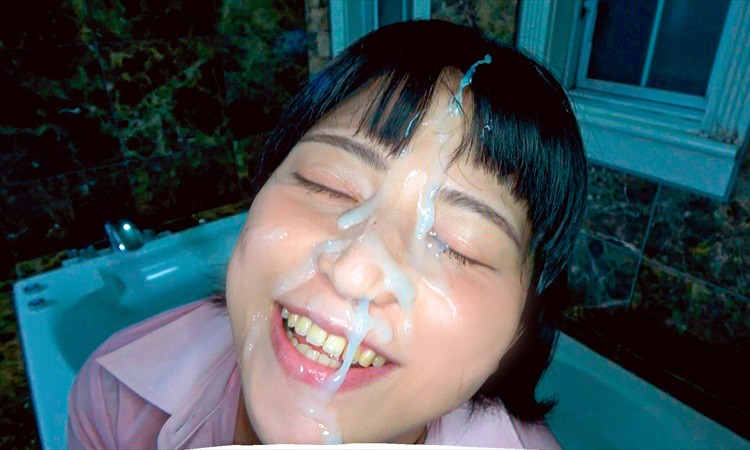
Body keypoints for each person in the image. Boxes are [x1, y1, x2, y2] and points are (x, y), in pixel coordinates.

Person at [68, 19, 586, 448]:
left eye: (457, 244)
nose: (356, 271)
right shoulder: (116, 395)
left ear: (520, 327)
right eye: (330, 185)